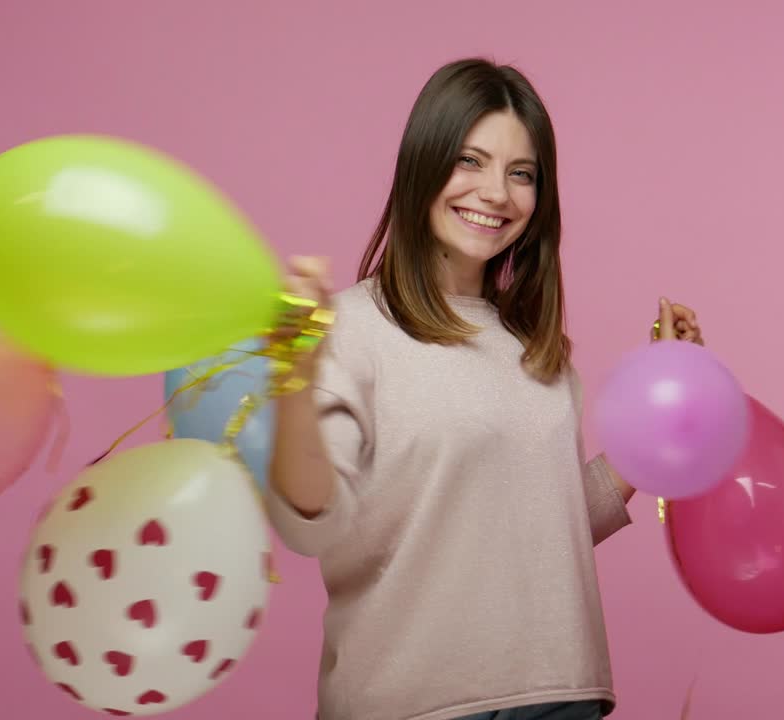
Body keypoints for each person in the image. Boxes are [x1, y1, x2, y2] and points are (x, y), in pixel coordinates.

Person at [266, 58, 704, 720]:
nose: (496, 193)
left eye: (520, 173)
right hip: (415, 705)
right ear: (424, 165)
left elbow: (536, 527)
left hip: (562, 694)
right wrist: (295, 383)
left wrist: (659, 404)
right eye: (470, 161)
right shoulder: (352, 328)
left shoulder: (536, 349)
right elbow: (310, 513)